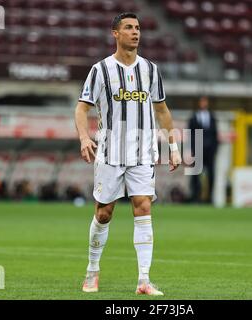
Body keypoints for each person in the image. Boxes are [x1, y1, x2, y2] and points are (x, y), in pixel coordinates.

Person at [75, 13, 182, 295]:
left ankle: (144, 280)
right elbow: (82, 107)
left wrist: (173, 146)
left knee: (143, 207)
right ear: (115, 33)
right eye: (128, 28)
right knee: (105, 212)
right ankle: (92, 271)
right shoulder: (100, 70)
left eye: (138, 28)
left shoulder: (150, 69)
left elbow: (161, 110)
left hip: (143, 152)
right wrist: (85, 136)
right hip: (110, 153)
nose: (135, 33)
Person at [188, 96, 219, 203]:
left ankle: (209, 197)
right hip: (198, 150)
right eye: (202, 101)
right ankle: (195, 196)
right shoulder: (193, 117)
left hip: (209, 151)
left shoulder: (212, 117)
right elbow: (190, 135)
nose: (203, 104)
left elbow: (215, 135)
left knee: (211, 174)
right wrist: (192, 149)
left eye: (205, 101)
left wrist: (214, 149)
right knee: (196, 175)